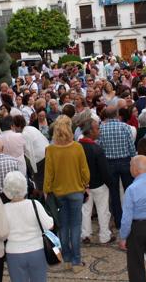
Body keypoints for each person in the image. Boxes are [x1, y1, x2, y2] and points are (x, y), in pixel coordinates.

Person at [44, 116, 90, 273]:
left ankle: (67, 259)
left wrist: (46, 190)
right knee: (76, 226)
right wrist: (85, 184)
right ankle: (77, 261)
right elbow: (85, 171)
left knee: (63, 227)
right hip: (76, 191)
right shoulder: (77, 147)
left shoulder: (50, 149)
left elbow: (48, 173)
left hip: (58, 193)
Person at [3, 171, 54, 282]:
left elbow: (1, 233)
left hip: (14, 252)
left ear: (6, 190)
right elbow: (50, 225)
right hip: (36, 250)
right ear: (24, 187)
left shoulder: (3, 209)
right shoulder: (34, 204)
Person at [98, 106, 136, 230]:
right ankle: (132, 218)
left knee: (114, 194)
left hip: (109, 163)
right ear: (117, 114)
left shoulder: (101, 128)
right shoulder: (125, 127)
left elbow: (100, 148)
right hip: (125, 161)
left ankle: (119, 221)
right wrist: (133, 160)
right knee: (129, 191)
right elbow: (131, 147)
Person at [78, 119, 113, 244]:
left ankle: (85, 234)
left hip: (82, 185)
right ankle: (105, 236)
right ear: (90, 131)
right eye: (97, 128)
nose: (99, 130)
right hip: (98, 184)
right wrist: (110, 183)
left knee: (85, 210)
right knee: (103, 210)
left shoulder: (77, 147)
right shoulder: (96, 149)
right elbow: (104, 170)